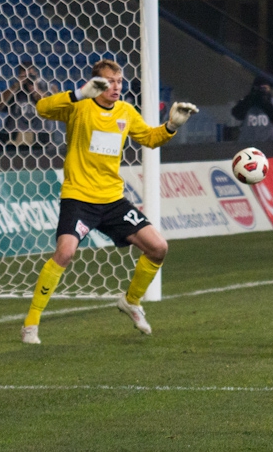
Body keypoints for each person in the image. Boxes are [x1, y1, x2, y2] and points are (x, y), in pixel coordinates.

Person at [20, 59, 199, 344]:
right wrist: (80, 93)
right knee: (65, 253)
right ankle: (31, 324)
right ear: (97, 84)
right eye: (109, 82)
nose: (116, 87)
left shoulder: (126, 111)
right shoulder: (80, 106)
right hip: (79, 197)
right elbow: (42, 108)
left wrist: (171, 126)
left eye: (119, 81)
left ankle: (131, 301)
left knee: (158, 247)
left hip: (112, 200)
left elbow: (150, 139)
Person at [0, 62, 57, 153]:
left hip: (41, 135)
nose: (28, 78)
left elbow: (52, 107)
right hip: (15, 136)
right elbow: (0, 105)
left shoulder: (48, 87)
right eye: (25, 75)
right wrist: (16, 85)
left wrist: (36, 91)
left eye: (30, 74)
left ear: (36, 73)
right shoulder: (15, 89)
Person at [231, 75, 273, 142]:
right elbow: (237, 114)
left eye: (265, 88)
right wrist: (251, 99)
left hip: (270, 144)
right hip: (248, 143)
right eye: (260, 88)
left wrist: (265, 104)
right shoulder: (247, 101)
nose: (262, 91)